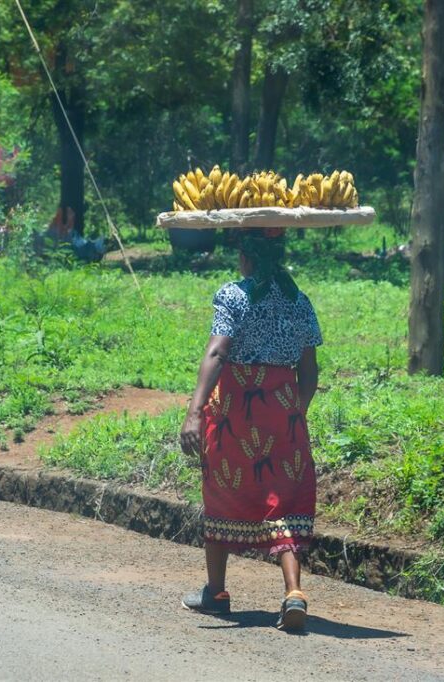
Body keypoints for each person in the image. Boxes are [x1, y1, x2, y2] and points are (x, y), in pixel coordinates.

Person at [179, 227, 321, 631]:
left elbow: (218, 351)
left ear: (246, 258)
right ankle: (293, 592)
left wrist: (195, 410)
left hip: (235, 410)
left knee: (223, 489)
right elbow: (309, 372)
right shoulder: (300, 302)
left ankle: (217, 593)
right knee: (284, 498)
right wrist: (295, 411)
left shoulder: (232, 295)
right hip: (283, 409)